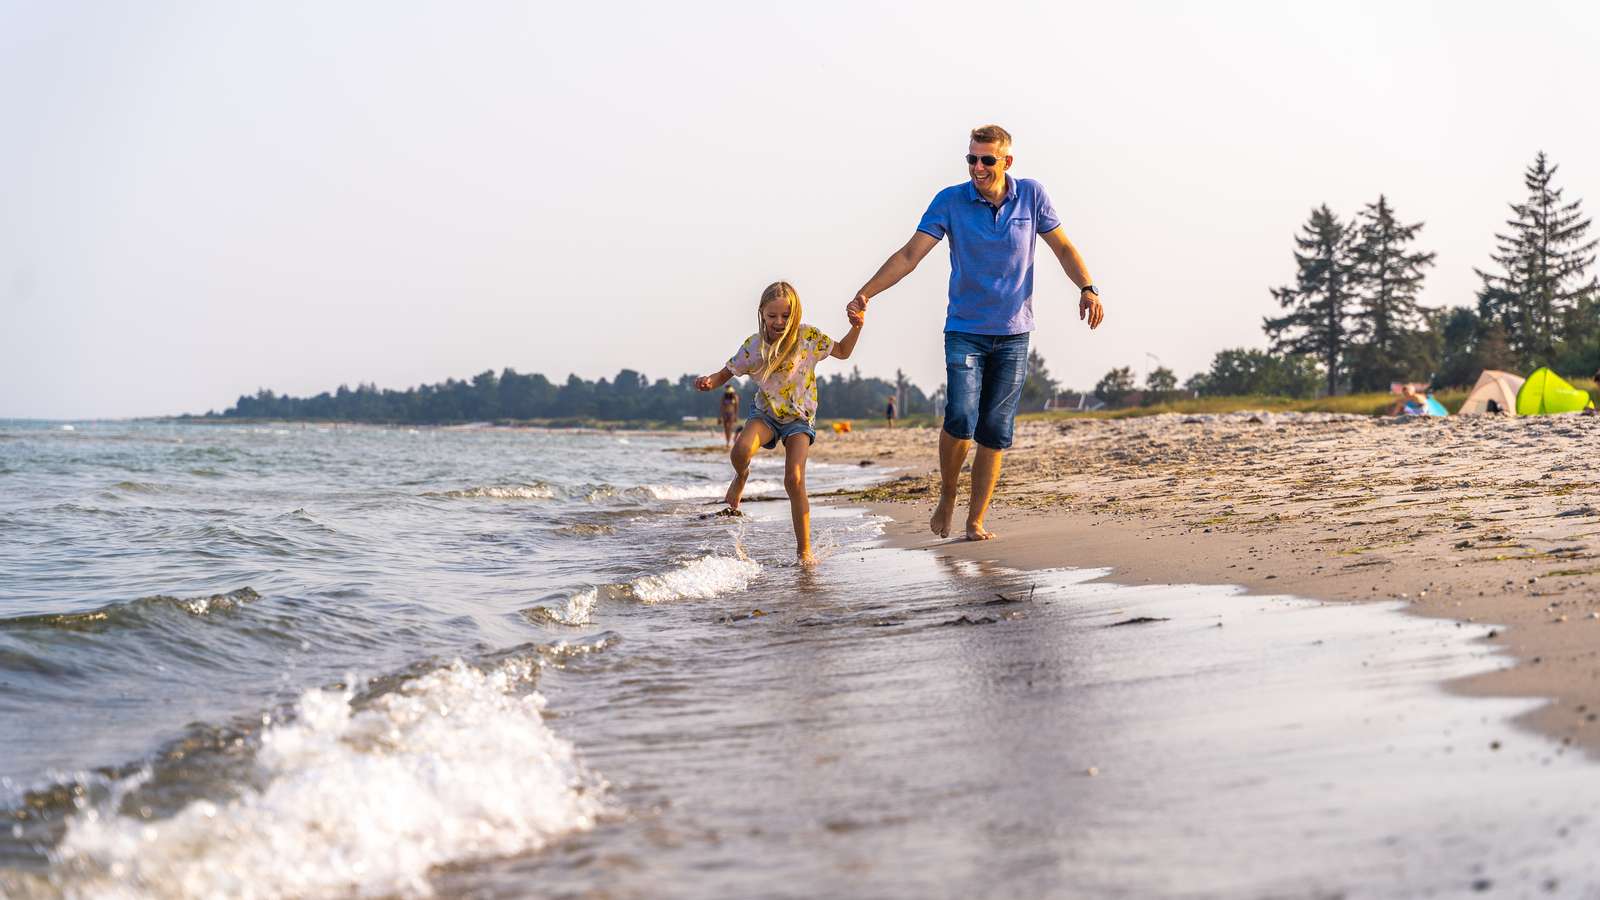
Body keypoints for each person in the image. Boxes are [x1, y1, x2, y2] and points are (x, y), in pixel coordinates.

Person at [846, 124, 1103, 541]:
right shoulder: (950, 201)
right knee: (961, 416)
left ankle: (975, 520)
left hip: (1014, 333)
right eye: (971, 159)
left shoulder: (1032, 195)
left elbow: (1062, 247)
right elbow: (910, 255)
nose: (978, 167)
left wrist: (1087, 288)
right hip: (965, 330)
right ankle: (948, 494)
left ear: (1007, 161)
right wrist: (865, 293)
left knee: (995, 430)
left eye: (987, 160)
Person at [696, 281, 864, 565]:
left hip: (799, 419)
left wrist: (856, 327)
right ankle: (742, 476)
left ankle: (804, 551)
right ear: (761, 313)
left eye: (786, 316)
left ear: (795, 314)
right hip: (766, 415)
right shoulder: (754, 346)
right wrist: (709, 382)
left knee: (794, 479)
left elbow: (843, 351)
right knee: (740, 451)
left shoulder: (809, 337)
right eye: (772, 315)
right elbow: (726, 373)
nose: (779, 322)